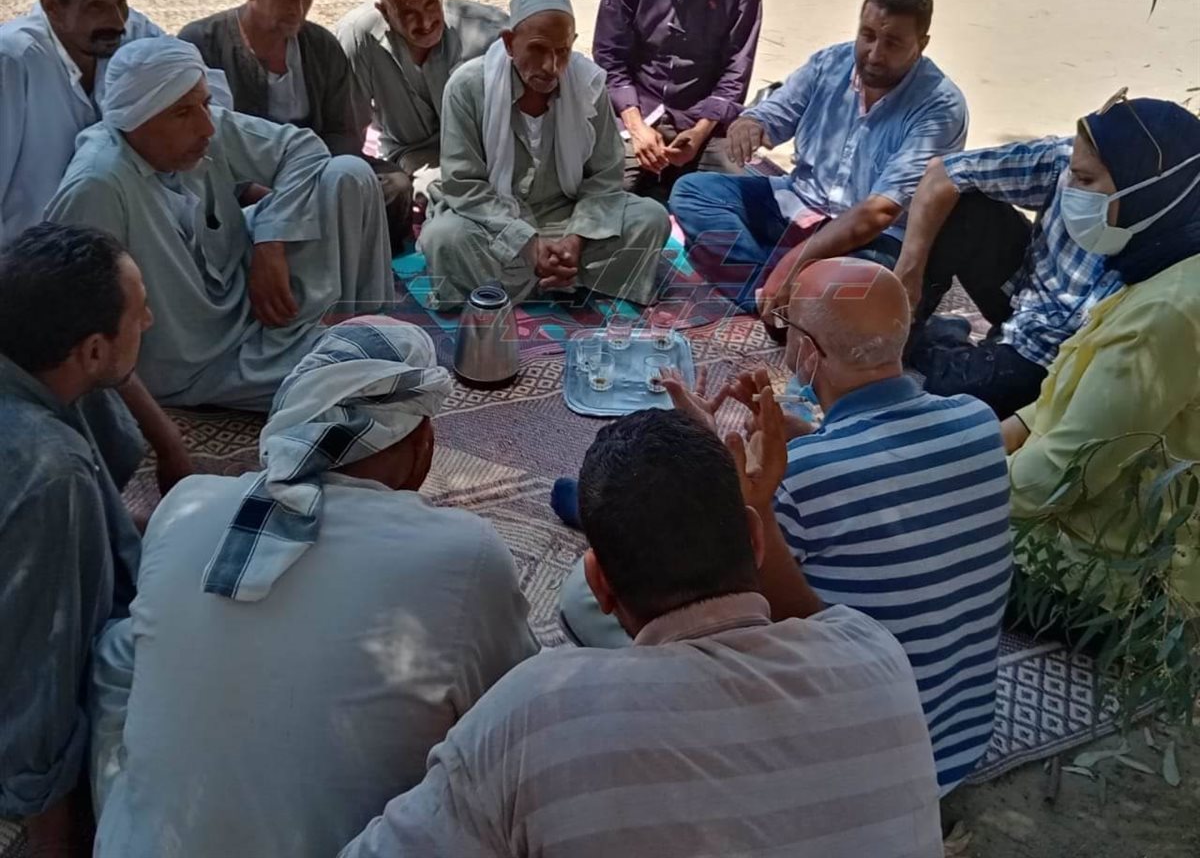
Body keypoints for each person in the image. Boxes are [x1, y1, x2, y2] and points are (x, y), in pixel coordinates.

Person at [340, 406, 942, 858]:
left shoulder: (538, 712)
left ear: (600, 585)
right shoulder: (877, 655)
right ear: (757, 540)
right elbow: (816, 625)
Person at [561, 257, 1011, 794]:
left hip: (854, 767)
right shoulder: (977, 423)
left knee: (586, 592)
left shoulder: (803, 479)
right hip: (957, 742)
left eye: (788, 325)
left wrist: (707, 450)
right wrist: (804, 440)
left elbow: (719, 591)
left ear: (809, 353)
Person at [90, 319, 537, 858]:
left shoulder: (185, 504)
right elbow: (516, 708)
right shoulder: (465, 554)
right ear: (424, 441)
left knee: (118, 651)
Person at [46, 36, 394, 411]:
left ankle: (355, 322)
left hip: (248, 297)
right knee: (380, 362)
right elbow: (75, 319)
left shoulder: (200, 124)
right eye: (183, 113)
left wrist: (270, 242)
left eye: (206, 103)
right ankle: (340, 349)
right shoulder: (98, 186)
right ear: (135, 118)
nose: (207, 127)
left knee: (349, 175)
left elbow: (302, 149)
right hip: (203, 361)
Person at [670, 0, 968, 318]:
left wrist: (794, 262)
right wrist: (749, 124)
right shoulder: (829, 64)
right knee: (693, 193)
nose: (874, 54)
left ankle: (779, 286)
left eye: (892, 43)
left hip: (875, 239)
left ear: (922, 44)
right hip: (799, 203)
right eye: (868, 35)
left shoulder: (940, 106)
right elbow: (772, 114)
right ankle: (774, 298)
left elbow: (880, 212)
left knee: (863, 288)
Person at [1002, 98, 1200, 607]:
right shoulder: (1166, 266)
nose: (1069, 192)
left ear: (1149, 189)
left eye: (1087, 180)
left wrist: (944, 491)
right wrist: (992, 436)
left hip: (1104, 576)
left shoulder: (1165, 314)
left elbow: (1062, 477)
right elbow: (1080, 397)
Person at [0, 224, 148, 857]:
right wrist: (53, 833)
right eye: (139, 314)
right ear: (91, 349)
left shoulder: (40, 370)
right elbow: (39, 671)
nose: (151, 321)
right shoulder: (53, 473)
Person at [419, 0, 671, 309]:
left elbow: (605, 178)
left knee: (651, 218)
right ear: (509, 43)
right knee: (444, 238)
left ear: (572, 44)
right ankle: (568, 280)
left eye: (562, 51)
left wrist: (576, 240)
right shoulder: (467, 88)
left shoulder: (588, 86)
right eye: (537, 49)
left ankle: (536, 278)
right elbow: (464, 185)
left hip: (568, 216)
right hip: (495, 222)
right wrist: (526, 243)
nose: (551, 67)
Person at [892, 97, 1135, 419]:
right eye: (1074, 176)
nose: (1073, 187)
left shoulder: (1176, 245)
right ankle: (904, 334)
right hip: (1026, 300)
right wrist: (908, 274)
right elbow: (943, 174)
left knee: (952, 395)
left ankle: (944, 339)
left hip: (1072, 353)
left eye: (1087, 181)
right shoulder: (1066, 160)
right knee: (962, 203)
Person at [592, 0, 761, 201]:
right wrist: (638, 129)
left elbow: (737, 67)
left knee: (743, 194)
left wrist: (699, 133)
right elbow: (609, 58)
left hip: (704, 121)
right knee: (608, 192)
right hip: (639, 114)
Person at [0, 0, 165, 247]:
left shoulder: (135, 34)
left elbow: (199, 91)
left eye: (122, 2)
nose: (117, 20)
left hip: (115, 252)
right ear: (52, 5)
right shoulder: (12, 59)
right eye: (96, 6)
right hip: (25, 261)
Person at [336, 0, 508, 244]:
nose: (426, 21)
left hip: (483, 154)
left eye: (430, 3)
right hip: (413, 155)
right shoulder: (358, 38)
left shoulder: (491, 33)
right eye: (408, 13)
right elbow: (348, 126)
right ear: (384, 11)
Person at [179, 0, 366, 153]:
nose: (298, 9)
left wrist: (319, 167)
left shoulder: (322, 46)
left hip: (318, 165)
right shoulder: (202, 44)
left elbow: (344, 131)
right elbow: (194, 135)